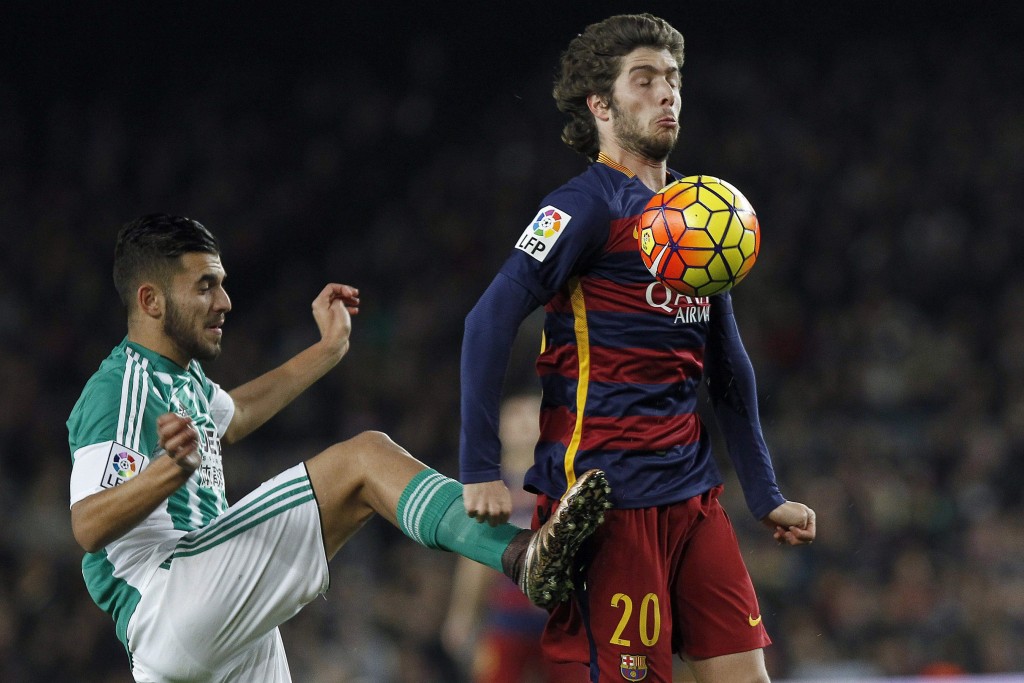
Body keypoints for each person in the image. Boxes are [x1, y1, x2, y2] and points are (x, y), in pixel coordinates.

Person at [66, 213, 611, 682]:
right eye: (205, 286)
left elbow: (234, 415)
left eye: (222, 283)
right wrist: (167, 473)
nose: (225, 301)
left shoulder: (180, 378)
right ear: (150, 300)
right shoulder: (120, 388)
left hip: (202, 628)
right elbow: (88, 525)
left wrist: (327, 349)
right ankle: (520, 555)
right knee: (364, 460)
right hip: (171, 595)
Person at [458, 14, 815, 683]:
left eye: (672, 78)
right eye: (644, 80)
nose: (666, 93)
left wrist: (764, 492)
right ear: (601, 104)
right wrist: (479, 467)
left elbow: (727, 367)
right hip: (604, 504)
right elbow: (487, 320)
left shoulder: (700, 211)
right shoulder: (582, 207)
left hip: (693, 496)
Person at [443, 394, 588, 683]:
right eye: (516, 413)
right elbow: (474, 560)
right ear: (501, 428)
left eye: (531, 413)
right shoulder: (487, 489)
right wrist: (462, 612)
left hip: (562, 619)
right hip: (506, 618)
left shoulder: (568, 484)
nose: (523, 420)